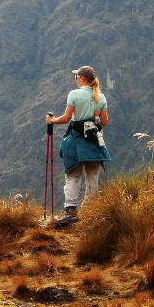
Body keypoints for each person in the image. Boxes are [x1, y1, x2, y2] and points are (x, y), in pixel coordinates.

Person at [45, 66, 109, 227]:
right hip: (94, 142)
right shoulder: (100, 97)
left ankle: (71, 212)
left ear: (81, 78)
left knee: (73, 176)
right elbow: (105, 122)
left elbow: (66, 118)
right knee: (92, 178)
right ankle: (89, 212)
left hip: (76, 141)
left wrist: (51, 121)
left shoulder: (74, 95)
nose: (76, 80)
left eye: (76, 77)